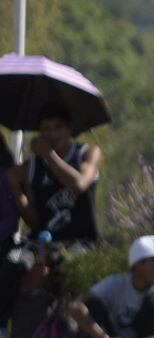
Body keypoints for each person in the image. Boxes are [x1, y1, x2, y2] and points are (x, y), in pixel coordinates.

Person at [24, 102, 100, 247]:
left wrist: (49, 155)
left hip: (81, 243)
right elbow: (33, 221)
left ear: (69, 128)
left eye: (58, 127)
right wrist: (16, 188)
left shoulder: (87, 153)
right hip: (44, 245)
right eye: (46, 129)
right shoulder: (32, 166)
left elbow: (79, 184)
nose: (52, 134)